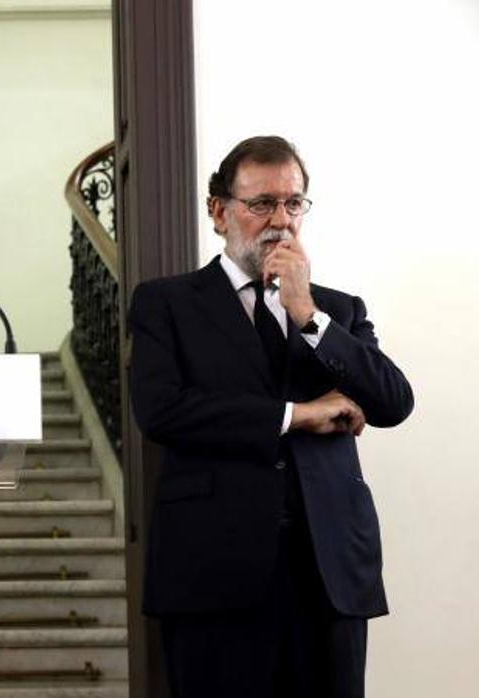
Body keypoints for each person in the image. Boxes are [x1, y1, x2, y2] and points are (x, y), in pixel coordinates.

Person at [127, 135, 413, 698]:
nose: (280, 221)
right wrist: (298, 414)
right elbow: (163, 411)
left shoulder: (339, 310)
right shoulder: (166, 302)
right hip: (214, 571)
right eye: (262, 204)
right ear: (219, 211)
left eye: (293, 203)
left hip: (328, 571)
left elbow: (393, 403)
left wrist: (309, 317)